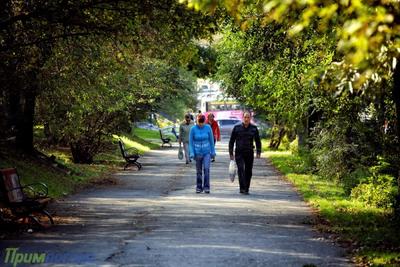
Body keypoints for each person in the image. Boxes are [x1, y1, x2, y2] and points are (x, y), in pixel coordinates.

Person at [229, 111, 261, 195]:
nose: (246, 119)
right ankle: (242, 188)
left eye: (248, 117)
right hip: (239, 153)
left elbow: (258, 141)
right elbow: (231, 141)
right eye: (245, 117)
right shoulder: (237, 128)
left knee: (248, 171)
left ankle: (247, 188)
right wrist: (231, 153)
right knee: (241, 170)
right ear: (242, 118)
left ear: (250, 118)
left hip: (249, 152)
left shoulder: (254, 128)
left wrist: (258, 152)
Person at [189, 114, 216, 193]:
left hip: (206, 152)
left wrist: (213, 151)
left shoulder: (208, 128)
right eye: (199, 122)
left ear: (205, 121)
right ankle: (199, 187)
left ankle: (207, 187)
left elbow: (211, 141)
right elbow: (190, 142)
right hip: (197, 153)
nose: (201, 124)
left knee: (206, 169)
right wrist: (192, 152)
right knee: (199, 171)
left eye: (202, 122)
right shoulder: (193, 129)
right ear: (196, 121)